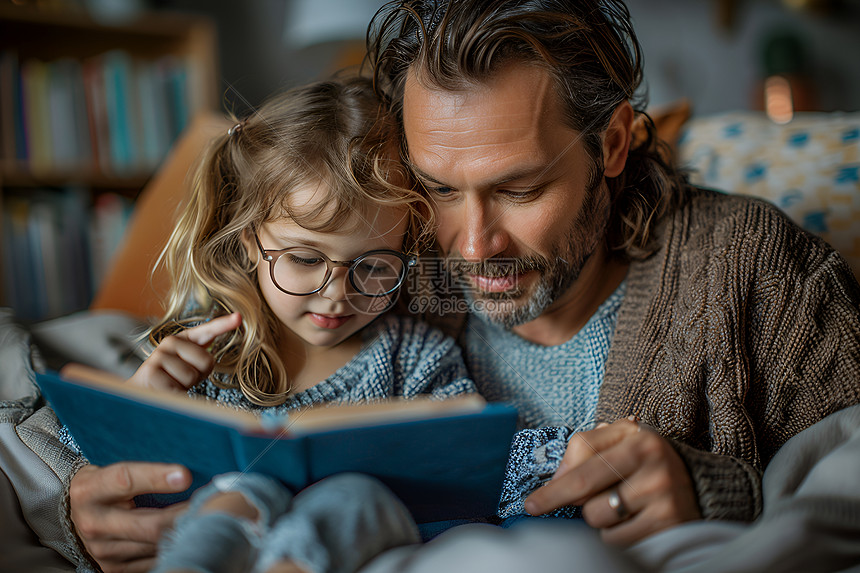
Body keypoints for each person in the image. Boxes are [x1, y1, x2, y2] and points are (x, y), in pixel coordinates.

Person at [365, 0, 860, 547]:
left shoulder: (752, 267)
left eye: (520, 190)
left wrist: (719, 495)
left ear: (614, 143)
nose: (477, 245)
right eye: (440, 189)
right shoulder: (385, 281)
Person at [66, 75, 475, 573]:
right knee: (240, 492)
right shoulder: (200, 352)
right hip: (214, 527)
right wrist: (137, 408)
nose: (337, 294)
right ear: (246, 243)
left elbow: (470, 471)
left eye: (373, 266)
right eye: (304, 258)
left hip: (358, 531)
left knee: (356, 496)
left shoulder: (418, 359)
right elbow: (84, 462)